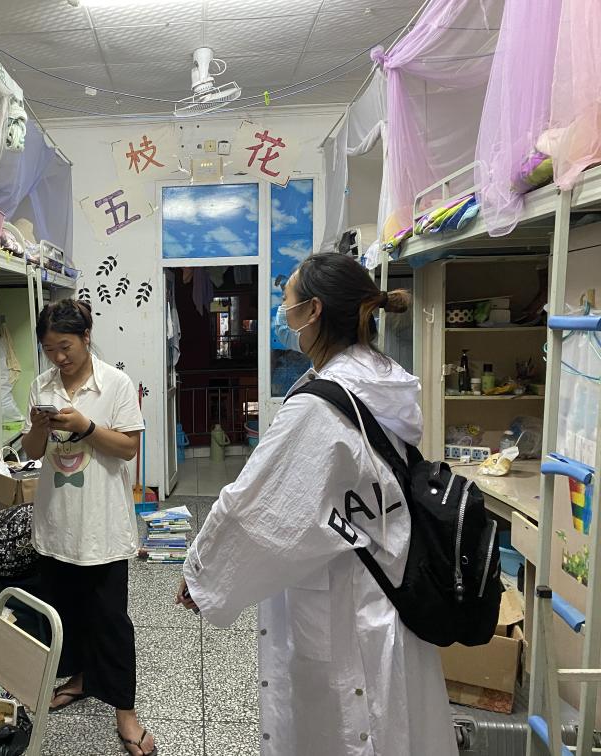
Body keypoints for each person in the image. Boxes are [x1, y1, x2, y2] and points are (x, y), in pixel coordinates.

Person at [177, 253, 455, 755]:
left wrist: (203, 572)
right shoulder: (381, 378)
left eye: (287, 303)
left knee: (350, 726)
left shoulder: (319, 406)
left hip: (348, 595)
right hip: (390, 580)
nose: (283, 315)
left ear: (314, 311)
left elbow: (256, 506)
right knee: (393, 720)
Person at [21, 299, 156, 756]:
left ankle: (125, 712)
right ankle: (79, 679)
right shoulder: (41, 386)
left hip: (103, 526)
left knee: (110, 620)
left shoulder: (115, 383)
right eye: (49, 349)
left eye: (66, 346)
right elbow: (34, 452)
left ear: (85, 337)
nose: (59, 357)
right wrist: (39, 426)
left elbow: (128, 448)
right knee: (66, 614)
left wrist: (85, 427)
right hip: (56, 523)